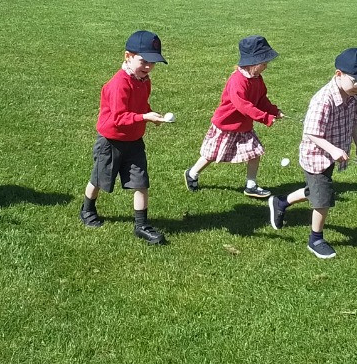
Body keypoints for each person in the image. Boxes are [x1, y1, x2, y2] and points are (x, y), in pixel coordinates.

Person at [268, 48, 357, 259]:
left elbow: (355, 124)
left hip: (332, 155)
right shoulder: (323, 100)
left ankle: (280, 202)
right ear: (339, 74)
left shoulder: (354, 97)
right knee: (323, 199)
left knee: (316, 191)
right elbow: (311, 133)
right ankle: (315, 239)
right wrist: (334, 149)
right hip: (316, 156)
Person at [80, 30, 170, 246]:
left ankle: (141, 225)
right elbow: (119, 117)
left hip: (134, 140)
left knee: (141, 182)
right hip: (111, 140)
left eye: (153, 63)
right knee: (99, 179)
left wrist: (151, 115)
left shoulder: (143, 80)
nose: (148, 67)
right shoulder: (119, 83)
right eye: (144, 61)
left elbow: (141, 106)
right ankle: (87, 209)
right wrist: (143, 117)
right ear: (128, 56)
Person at [184, 35, 283, 198]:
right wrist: (266, 118)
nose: (266, 65)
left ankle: (251, 185)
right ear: (252, 63)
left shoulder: (257, 79)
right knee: (211, 155)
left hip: (243, 126)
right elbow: (244, 106)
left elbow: (261, 99)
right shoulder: (238, 80)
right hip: (226, 125)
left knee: (255, 152)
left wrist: (273, 110)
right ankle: (192, 173)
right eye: (263, 62)